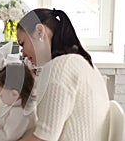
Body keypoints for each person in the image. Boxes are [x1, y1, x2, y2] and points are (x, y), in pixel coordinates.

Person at [17, 8, 110, 141]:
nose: (23, 54)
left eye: (22, 44)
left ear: (39, 31)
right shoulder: (79, 60)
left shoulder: (61, 67)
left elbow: (43, 139)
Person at [0, 63, 37, 141]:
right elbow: (8, 125)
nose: (0, 98)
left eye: (1, 95)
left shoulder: (20, 113)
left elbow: (7, 137)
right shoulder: (17, 105)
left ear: (14, 94)